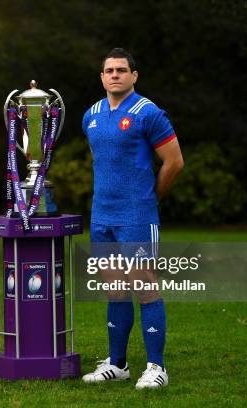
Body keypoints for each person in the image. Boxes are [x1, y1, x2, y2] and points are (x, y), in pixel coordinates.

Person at [81, 48, 184, 389]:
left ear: (134, 75)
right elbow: (102, 160)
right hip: (102, 216)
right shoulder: (91, 115)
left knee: (144, 287)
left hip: (137, 216)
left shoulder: (148, 113)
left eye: (122, 70)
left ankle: (157, 367)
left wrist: (150, 198)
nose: (115, 75)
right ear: (101, 76)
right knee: (114, 290)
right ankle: (118, 363)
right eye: (109, 70)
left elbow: (174, 162)